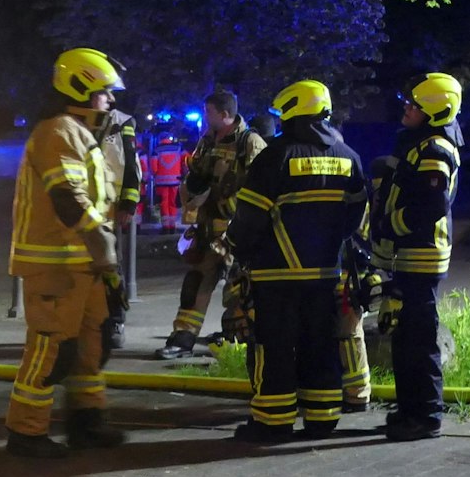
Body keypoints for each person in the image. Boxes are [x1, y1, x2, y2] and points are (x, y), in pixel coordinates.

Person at [5, 48, 131, 459]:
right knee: (52, 350)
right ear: (82, 90)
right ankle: (26, 433)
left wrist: (105, 265)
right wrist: (104, 246)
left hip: (83, 265)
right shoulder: (58, 132)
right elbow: (68, 198)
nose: (110, 101)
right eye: (105, 94)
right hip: (55, 265)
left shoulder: (81, 136)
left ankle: (87, 423)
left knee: (90, 349)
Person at [224, 79, 366, 443]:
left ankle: (273, 422)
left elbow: (249, 219)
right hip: (325, 275)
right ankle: (322, 418)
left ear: (290, 111)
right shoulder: (350, 157)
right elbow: (355, 219)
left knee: (275, 346)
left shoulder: (275, 157)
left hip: (276, 275)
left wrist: (237, 248)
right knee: (320, 343)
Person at [362, 73, 464, 441]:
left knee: (419, 342)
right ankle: (409, 412)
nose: (407, 108)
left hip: (421, 259)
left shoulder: (435, 148)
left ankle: (426, 417)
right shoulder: (419, 143)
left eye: (414, 106)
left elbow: (430, 207)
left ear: (434, 113)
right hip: (406, 259)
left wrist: (390, 225)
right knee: (403, 339)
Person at [156, 89, 267, 359]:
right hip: (208, 228)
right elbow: (197, 173)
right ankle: (182, 338)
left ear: (225, 114)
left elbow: (262, 187)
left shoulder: (249, 142)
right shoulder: (206, 140)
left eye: (209, 112)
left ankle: (243, 340)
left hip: (237, 231)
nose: (205, 117)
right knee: (196, 282)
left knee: (242, 290)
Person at [92, 100, 141, 351]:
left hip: (109, 209)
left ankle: (115, 321)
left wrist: (128, 204)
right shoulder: (76, 119)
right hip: (84, 207)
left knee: (111, 267)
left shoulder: (122, 122)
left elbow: (131, 163)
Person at [148, 128, 189, 231]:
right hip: (175, 181)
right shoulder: (178, 148)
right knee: (173, 203)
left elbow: (154, 168)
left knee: (164, 203)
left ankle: (166, 227)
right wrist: (183, 172)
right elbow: (187, 159)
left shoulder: (156, 150)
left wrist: (155, 174)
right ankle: (173, 226)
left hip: (161, 182)